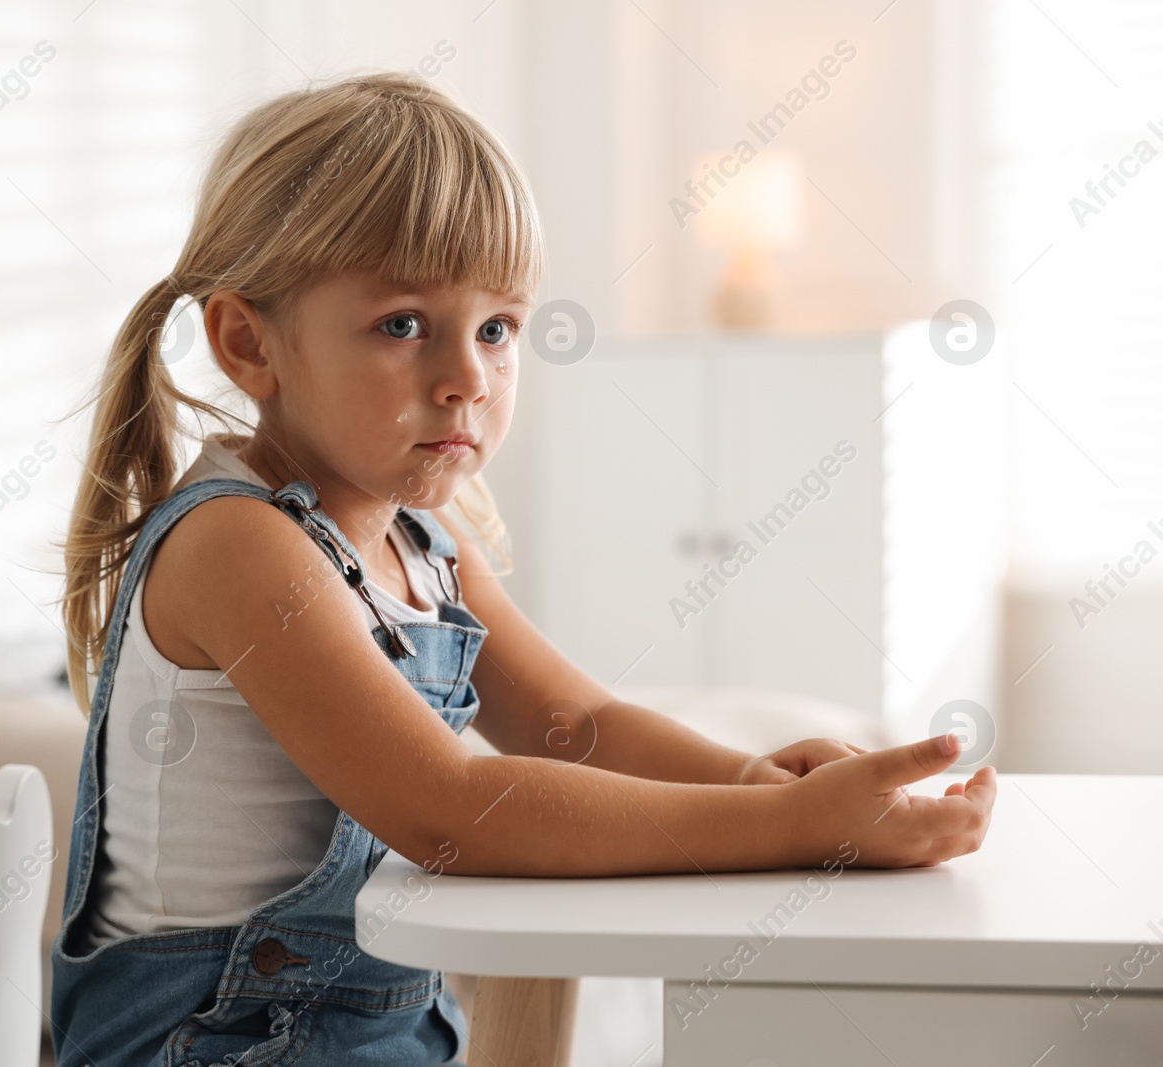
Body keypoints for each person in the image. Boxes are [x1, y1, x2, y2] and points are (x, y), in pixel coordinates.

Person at [49, 70, 996, 1067]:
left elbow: (576, 725)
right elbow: (452, 808)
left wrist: (753, 775)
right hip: (211, 1043)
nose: (467, 378)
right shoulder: (236, 545)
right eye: (402, 324)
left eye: (498, 328)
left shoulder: (423, 543)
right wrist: (784, 823)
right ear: (248, 342)